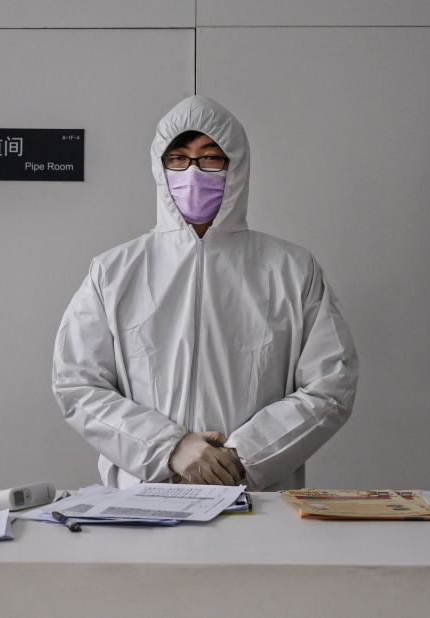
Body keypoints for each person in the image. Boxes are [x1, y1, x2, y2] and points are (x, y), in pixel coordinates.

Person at [52, 95, 358, 490]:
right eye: (178, 159)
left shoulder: (291, 269)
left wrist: (243, 454)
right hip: (143, 498)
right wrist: (169, 448)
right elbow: (77, 383)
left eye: (211, 158)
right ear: (160, 168)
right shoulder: (114, 271)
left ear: (237, 166)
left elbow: (331, 384)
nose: (193, 173)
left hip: (252, 496)